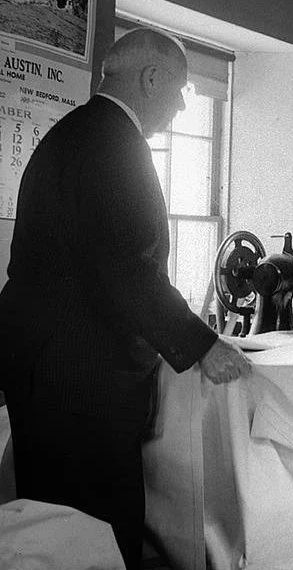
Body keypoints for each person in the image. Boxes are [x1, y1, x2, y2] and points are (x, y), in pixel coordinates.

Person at [0, 28, 251, 569]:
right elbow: (128, 268)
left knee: (53, 530)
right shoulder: (115, 146)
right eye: (180, 90)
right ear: (151, 78)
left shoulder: (73, 133)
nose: (181, 105)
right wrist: (202, 345)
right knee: (98, 531)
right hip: (81, 378)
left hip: (42, 368)